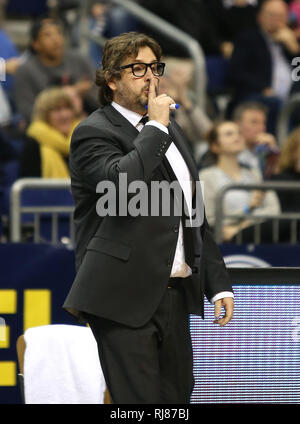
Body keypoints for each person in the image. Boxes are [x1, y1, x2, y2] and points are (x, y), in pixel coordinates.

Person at [63, 32, 234, 404]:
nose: (151, 78)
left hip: (173, 294)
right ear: (111, 79)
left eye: (155, 68)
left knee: (176, 401)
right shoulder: (94, 131)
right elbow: (121, 188)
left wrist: (217, 283)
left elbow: (193, 212)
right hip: (122, 296)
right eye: (137, 69)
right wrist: (155, 127)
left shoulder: (172, 131)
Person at [199, 121, 281, 242]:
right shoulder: (205, 176)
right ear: (215, 146)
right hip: (226, 242)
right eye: (229, 134)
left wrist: (243, 225)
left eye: (239, 133)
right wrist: (247, 209)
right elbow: (210, 219)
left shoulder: (255, 173)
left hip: (259, 233)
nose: (237, 137)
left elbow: (274, 210)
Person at [227, 0, 300, 133]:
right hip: (257, 96)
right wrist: (262, 88)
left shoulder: (291, 43)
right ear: (260, 17)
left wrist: (295, 50)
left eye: (280, 16)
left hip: (290, 98)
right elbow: (235, 72)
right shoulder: (248, 38)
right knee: (277, 104)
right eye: (271, 15)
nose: (276, 20)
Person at [13, 17, 97, 124]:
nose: (55, 39)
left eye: (58, 33)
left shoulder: (80, 60)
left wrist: (87, 92)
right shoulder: (25, 71)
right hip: (46, 130)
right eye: (47, 35)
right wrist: (71, 92)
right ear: (35, 44)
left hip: (87, 123)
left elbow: (101, 100)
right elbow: (28, 113)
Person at [19, 87, 80, 178]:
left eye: (68, 108)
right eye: (57, 110)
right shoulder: (34, 143)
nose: (64, 115)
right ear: (44, 115)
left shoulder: (85, 138)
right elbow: (29, 187)